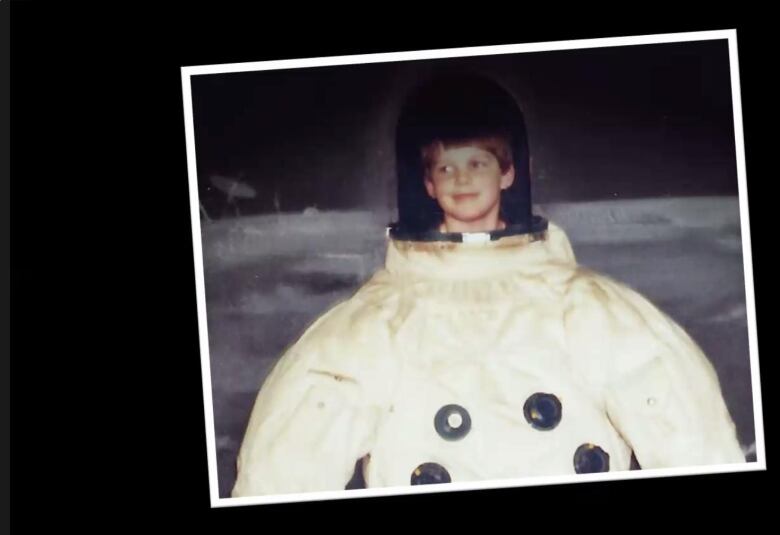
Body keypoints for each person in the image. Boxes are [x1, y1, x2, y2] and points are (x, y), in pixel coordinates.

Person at [231, 72, 745, 497]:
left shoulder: (580, 302)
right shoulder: (383, 317)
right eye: (445, 166)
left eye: (477, 161)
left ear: (507, 173)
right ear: (427, 184)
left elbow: (687, 429)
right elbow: (290, 460)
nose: (461, 179)